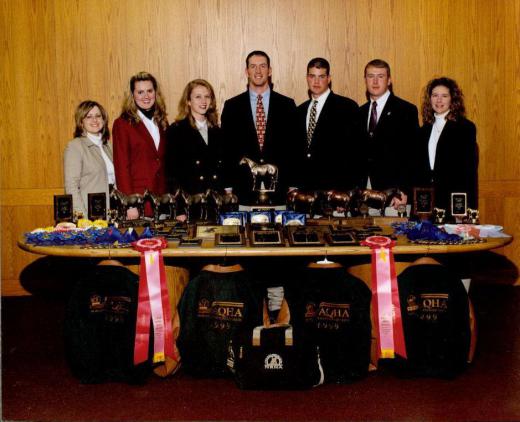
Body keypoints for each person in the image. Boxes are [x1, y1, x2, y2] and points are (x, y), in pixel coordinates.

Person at [221, 50, 297, 203]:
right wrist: (228, 187)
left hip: (279, 191)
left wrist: (293, 185)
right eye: (253, 66)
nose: (258, 71)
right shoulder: (232, 106)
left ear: (269, 71)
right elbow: (226, 149)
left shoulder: (287, 105)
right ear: (246, 71)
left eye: (262, 66)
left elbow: (294, 148)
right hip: (243, 192)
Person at [293, 57, 361, 191]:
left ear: (329, 79)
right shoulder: (299, 111)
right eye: (312, 76)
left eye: (321, 76)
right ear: (307, 78)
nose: (316, 81)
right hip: (304, 193)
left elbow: (355, 153)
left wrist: (347, 192)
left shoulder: (347, 107)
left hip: (335, 193)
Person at [359, 59, 419, 210]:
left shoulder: (406, 110)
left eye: (380, 76)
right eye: (370, 76)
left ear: (389, 80)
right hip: (363, 194)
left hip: (394, 195)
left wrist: (404, 190)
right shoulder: (359, 112)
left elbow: (413, 155)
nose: (375, 81)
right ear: (365, 80)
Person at [415, 77, 478, 210]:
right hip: (426, 201)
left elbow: (468, 171)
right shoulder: (423, 131)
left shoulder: (465, 128)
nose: (439, 100)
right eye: (435, 95)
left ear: (452, 99)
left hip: (453, 200)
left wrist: (465, 207)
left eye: (444, 96)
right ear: (429, 99)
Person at [112, 71, 169, 217]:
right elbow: (121, 167)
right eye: (140, 92)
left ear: (156, 93)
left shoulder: (162, 122)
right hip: (138, 202)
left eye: (150, 91)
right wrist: (129, 204)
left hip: (161, 200)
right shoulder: (122, 124)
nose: (146, 96)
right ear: (132, 95)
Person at [165, 79, 228, 194]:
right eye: (198, 97)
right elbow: (172, 174)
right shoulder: (176, 131)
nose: (203, 101)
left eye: (207, 96)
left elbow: (224, 170)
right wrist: (179, 208)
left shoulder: (217, 131)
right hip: (191, 202)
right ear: (188, 101)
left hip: (216, 201)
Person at [64, 100, 114, 218]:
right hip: (90, 213)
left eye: (98, 116)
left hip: (111, 210)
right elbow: (71, 186)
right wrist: (82, 217)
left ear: (103, 119)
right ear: (81, 122)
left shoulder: (108, 146)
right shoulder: (75, 146)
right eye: (88, 117)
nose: (94, 120)